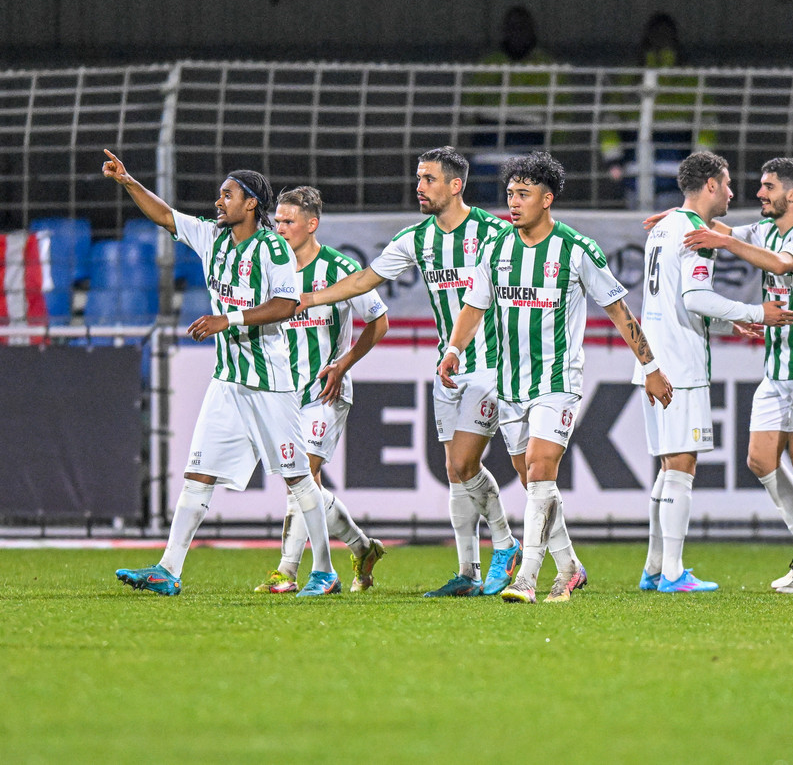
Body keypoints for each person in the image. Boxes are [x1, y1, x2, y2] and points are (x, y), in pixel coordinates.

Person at [102, 151, 339, 596]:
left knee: (297, 477)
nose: (218, 201)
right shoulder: (213, 237)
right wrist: (127, 180)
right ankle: (168, 570)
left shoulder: (272, 248)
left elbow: (287, 306)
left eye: (227, 194)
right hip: (228, 381)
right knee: (198, 473)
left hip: (270, 383)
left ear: (251, 203)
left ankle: (324, 571)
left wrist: (225, 320)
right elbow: (166, 216)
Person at [440, 151, 674, 604]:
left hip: (558, 381)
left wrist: (651, 368)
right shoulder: (497, 248)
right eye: (510, 194)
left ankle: (527, 576)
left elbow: (619, 311)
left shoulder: (576, 249)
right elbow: (475, 306)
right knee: (533, 484)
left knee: (541, 469)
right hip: (510, 385)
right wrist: (454, 349)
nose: (513, 203)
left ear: (547, 199)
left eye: (523, 195)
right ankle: (570, 567)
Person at [298, 147, 523, 598]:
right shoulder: (416, 239)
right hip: (448, 366)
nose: (418, 186)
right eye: (418, 178)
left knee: (465, 464)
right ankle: (468, 572)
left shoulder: (497, 233)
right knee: (454, 472)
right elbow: (364, 281)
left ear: (455, 185)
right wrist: (312, 299)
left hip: (492, 365)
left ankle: (506, 543)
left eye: (428, 179)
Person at [635, 151, 793, 593]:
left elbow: (672, 298)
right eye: (725, 183)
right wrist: (755, 312)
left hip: (655, 361)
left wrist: (731, 323)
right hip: (680, 365)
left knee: (670, 465)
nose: (730, 192)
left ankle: (654, 569)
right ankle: (672, 574)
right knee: (682, 465)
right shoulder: (693, 234)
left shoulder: (664, 227)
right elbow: (696, 298)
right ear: (708, 185)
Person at [680, 157, 793, 593]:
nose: (759, 194)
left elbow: (780, 264)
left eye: (768, 187)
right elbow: (728, 232)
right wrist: (678, 220)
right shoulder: (766, 229)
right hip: (776, 368)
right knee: (759, 459)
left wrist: (725, 244)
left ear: (792, 194)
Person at [251, 186, 390, 594]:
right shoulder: (268, 269)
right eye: (276, 220)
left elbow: (378, 321)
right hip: (283, 394)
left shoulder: (339, 267)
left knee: (304, 473)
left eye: (288, 221)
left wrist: (343, 363)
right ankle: (362, 547)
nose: (279, 228)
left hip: (325, 391)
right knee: (303, 483)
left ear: (311, 225)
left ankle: (289, 571)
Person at [601, 12, 717, 208]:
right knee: (636, 221)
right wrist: (613, 159)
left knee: (672, 223)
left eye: (665, 34)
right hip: (633, 160)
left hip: (676, 159)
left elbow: (707, 121)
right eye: (656, 34)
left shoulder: (690, 76)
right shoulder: (628, 75)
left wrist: (701, 163)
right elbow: (610, 119)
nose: (660, 39)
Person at [464, 6, 557, 206]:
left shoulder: (547, 66)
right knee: (487, 200)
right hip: (488, 137)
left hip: (529, 139)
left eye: (522, 27)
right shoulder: (488, 63)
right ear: (504, 30)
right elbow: (469, 105)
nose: (517, 32)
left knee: (524, 201)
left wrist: (552, 145)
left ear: (532, 30)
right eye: (512, 27)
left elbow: (561, 111)